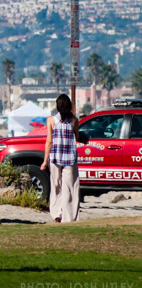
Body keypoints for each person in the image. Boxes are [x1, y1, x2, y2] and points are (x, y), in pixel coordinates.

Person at [42, 93, 82, 223]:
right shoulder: (74, 120)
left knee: (56, 186)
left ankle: (56, 214)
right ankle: (68, 216)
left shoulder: (51, 120)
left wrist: (44, 161)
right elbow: (76, 136)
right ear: (69, 106)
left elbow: (49, 141)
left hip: (54, 157)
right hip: (70, 158)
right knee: (69, 187)